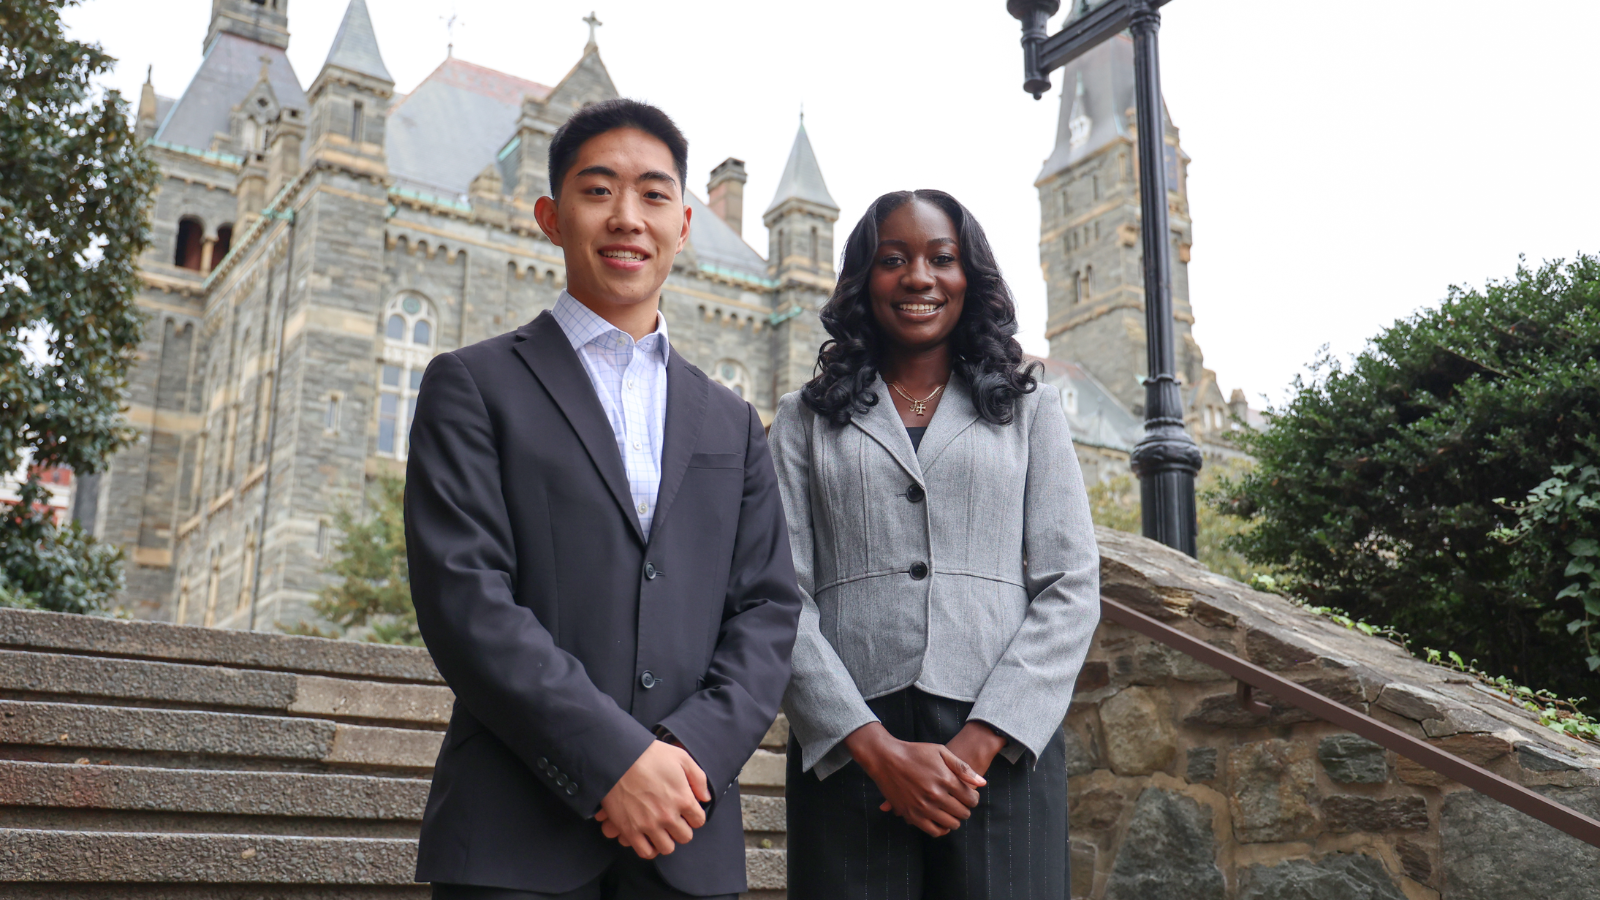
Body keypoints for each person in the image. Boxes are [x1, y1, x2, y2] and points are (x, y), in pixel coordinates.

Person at [405, 98, 803, 900]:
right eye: (598, 191)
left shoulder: (731, 421)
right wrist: (614, 762)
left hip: (687, 836)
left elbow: (767, 610)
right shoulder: (473, 385)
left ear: (683, 226)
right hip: (514, 840)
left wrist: (685, 758)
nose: (628, 217)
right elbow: (466, 597)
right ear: (552, 218)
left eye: (653, 195)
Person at [769, 189, 1101, 899]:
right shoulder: (803, 420)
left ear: (968, 277)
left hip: (1000, 743)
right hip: (851, 744)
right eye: (893, 260)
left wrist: (984, 739)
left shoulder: (1029, 411)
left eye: (941, 259)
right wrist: (870, 745)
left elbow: (1072, 583)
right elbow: (777, 595)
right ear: (864, 281)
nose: (918, 277)